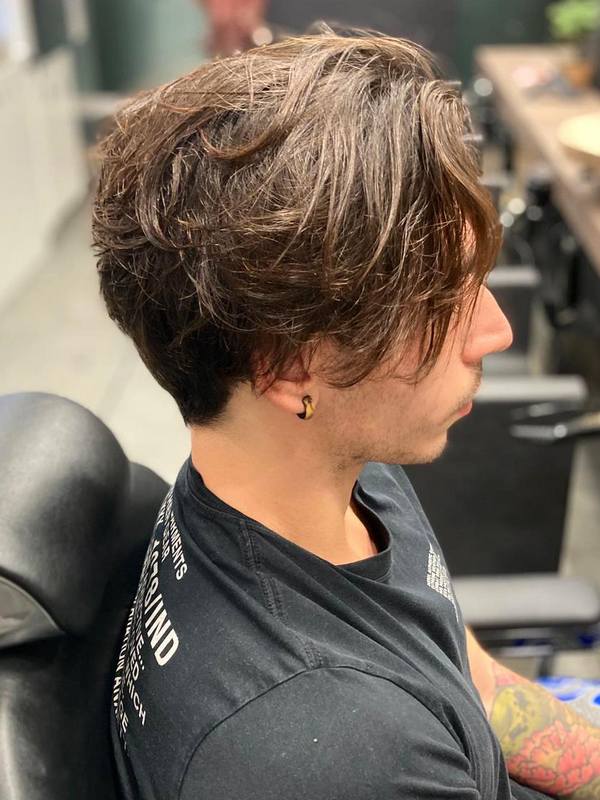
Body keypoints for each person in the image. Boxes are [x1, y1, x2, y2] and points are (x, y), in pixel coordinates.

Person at [92, 28, 600, 800]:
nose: (496, 331)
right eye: (443, 302)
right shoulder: (330, 752)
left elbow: (475, 684)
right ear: (289, 365)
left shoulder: (334, 472)